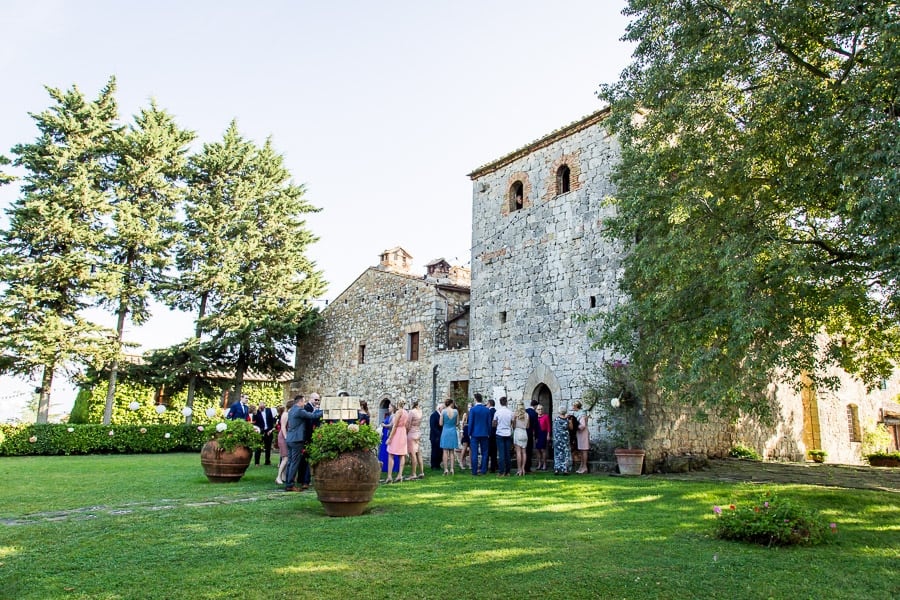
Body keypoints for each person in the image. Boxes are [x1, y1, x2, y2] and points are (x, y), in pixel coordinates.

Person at [283, 396, 323, 492]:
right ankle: (290, 484)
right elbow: (313, 416)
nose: (304, 404)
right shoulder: (299, 411)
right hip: (297, 439)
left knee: (290, 461)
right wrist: (324, 411)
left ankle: (288, 482)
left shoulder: (292, 410)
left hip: (290, 438)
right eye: (304, 402)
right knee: (294, 462)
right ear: (300, 402)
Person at [468, 393, 492, 476]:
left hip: (475, 433)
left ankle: (474, 471)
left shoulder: (473, 410)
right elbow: (489, 423)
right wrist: (489, 432)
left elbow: (470, 422)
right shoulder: (487, 410)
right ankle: (483, 470)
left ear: (475, 399)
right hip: (485, 433)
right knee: (485, 452)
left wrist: (469, 432)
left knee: (474, 452)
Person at [385, 400, 409, 483]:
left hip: (397, 433)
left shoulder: (399, 412)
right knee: (402, 455)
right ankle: (400, 475)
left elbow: (395, 426)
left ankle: (389, 476)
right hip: (403, 432)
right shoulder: (406, 412)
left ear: (398, 404)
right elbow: (407, 425)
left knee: (391, 453)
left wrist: (390, 438)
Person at [492, 396, 513, 476]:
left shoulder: (497, 412)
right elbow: (512, 422)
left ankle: (501, 471)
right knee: (507, 453)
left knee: (501, 453)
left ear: (500, 403)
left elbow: (494, 423)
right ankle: (508, 471)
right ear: (506, 402)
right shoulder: (510, 412)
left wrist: (497, 424)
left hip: (500, 433)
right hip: (507, 433)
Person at [439, 399, 459, 475]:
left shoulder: (443, 411)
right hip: (453, 431)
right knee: (452, 451)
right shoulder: (456, 411)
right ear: (451, 403)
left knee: (445, 451)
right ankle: (452, 469)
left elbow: (440, 423)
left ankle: (446, 469)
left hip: (445, 431)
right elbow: (457, 423)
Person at [253, 400, 276, 466]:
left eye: (262, 404)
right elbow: (255, 422)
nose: (261, 406)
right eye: (260, 405)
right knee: (258, 447)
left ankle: (267, 461)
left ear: (265, 405)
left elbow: (272, 420)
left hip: (268, 431)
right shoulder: (256, 412)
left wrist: (271, 429)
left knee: (268, 447)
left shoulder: (269, 410)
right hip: (260, 431)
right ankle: (257, 462)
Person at [406, 400, 425, 480]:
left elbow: (408, 424)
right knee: (418, 454)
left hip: (412, 433)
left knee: (413, 454)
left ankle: (413, 473)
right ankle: (421, 472)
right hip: (418, 433)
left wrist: (406, 432)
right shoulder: (420, 411)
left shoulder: (411, 412)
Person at [379, 406, 400, 477]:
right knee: (384, 450)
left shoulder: (394, 416)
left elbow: (391, 425)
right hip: (385, 435)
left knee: (389, 451)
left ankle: (391, 467)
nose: (388, 408)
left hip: (388, 434)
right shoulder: (389, 415)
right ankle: (384, 466)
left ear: (393, 408)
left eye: (390, 407)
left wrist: (384, 425)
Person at [552, 405, 572, 475]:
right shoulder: (567, 419)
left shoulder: (556, 419)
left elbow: (554, 429)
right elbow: (571, 428)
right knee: (565, 453)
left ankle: (557, 469)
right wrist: (570, 420)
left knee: (557, 453)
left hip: (558, 438)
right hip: (565, 438)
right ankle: (565, 469)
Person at [572, 400, 590, 474]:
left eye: (573, 406)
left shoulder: (582, 414)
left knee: (584, 450)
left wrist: (575, 426)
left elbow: (583, 426)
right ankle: (581, 466)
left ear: (576, 406)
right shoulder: (578, 414)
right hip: (579, 434)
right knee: (581, 450)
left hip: (583, 434)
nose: (572, 407)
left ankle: (585, 467)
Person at [513, 404, 529, 476]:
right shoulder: (527, 415)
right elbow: (528, 426)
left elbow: (513, 426)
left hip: (518, 432)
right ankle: (523, 469)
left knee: (518, 452)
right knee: (524, 452)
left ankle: (519, 469)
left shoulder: (516, 414)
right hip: (524, 432)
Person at [275, 404, 288, 484]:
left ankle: (283, 476)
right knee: (285, 458)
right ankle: (278, 477)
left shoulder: (286, 414)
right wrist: (286, 437)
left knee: (285, 458)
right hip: (283, 437)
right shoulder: (286, 414)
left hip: (284, 436)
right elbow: (283, 427)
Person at [525, 399, 539, 473]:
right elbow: (536, 426)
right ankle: (527, 467)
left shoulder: (525, 411)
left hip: (524, 432)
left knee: (523, 450)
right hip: (529, 433)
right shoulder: (534, 414)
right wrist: (536, 436)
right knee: (529, 451)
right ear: (536, 406)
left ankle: (522, 466)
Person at [535, 404, 550, 471]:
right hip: (537, 434)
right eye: (538, 409)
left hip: (543, 433)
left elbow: (549, 426)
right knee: (538, 450)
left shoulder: (546, 416)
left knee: (543, 449)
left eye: (541, 409)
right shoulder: (535, 417)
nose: (540, 410)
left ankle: (544, 464)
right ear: (536, 410)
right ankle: (539, 464)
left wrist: (548, 435)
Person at [429, 402, 443, 470]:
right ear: (439, 408)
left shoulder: (441, 415)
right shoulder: (434, 415)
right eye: (442, 408)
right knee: (434, 451)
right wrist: (438, 433)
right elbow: (432, 426)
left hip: (440, 436)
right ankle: (434, 465)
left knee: (440, 451)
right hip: (435, 436)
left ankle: (438, 464)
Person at [457, 403, 470, 470]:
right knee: (464, 446)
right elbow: (462, 423)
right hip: (466, 429)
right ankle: (461, 462)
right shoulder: (465, 414)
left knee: (471, 448)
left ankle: (470, 463)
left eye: (470, 406)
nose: (469, 408)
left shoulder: (473, 413)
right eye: (468, 407)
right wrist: (461, 432)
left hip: (471, 430)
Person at [487, 398, 498, 473]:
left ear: (490, 404)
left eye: (487, 404)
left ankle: (486, 466)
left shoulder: (489, 412)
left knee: (487, 451)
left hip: (490, 433)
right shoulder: (496, 411)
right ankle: (493, 467)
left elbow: (489, 423)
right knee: (494, 451)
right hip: (496, 433)